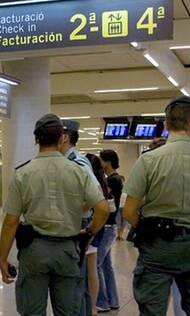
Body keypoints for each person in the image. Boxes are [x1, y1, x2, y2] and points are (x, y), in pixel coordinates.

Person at [123, 95, 190, 315]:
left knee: (152, 310)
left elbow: (129, 211)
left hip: (157, 246)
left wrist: (146, 229)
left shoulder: (149, 160)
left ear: (165, 124)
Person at [0, 113, 110, 316]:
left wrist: (2, 258)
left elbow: (11, 221)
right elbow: (103, 208)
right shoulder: (78, 171)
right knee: (68, 311)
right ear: (61, 139)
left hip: (34, 251)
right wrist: (89, 232)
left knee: (32, 311)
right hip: (67, 250)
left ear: (36, 139)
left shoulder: (23, 173)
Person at [60, 119, 99, 316]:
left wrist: (76, 213)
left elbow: (96, 194)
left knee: (75, 284)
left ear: (65, 137)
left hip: (77, 223)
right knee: (78, 283)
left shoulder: (77, 162)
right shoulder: (71, 160)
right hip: (78, 221)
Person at [95, 149, 121, 312]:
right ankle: (113, 300)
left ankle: (102, 301)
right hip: (111, 226)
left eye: (101, 161)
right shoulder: (116, 179)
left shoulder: (112, 181)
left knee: (96, 264)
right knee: (106, 265)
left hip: (106, 226)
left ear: (108, 162)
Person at [85, 153, 111, 316]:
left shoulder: (91, 184)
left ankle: (93, 305)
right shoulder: (102, 183)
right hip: (99, 227)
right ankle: (95, 306)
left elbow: (94, 205)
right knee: (94, 267)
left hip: (91, 226)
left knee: (91, 268)